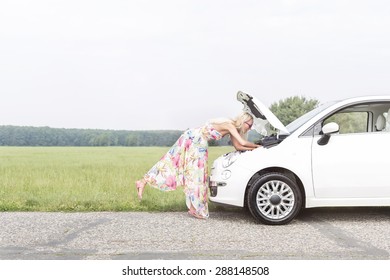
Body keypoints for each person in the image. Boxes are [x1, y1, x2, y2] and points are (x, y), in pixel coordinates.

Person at [135, 112, 260, 219]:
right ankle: (196, 208)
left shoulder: (232, 128)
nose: (250, 128)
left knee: (192, 172)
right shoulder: (229, 124)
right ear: (243, 121)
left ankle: (144, 182)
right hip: (195, 139)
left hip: (197, 141)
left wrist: (254, 149)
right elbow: (243, 142)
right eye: (249, 125)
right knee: (191, 172)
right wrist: (259, 146)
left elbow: (238, 146)